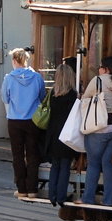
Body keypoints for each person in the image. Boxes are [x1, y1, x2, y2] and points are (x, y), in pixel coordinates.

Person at [80, 56, 112, 205]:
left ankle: (88, 198)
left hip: (98, 127)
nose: (99, 69)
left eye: (100, 67)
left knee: (93, 164)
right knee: (109, 164)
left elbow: (85, 98)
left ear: (105, 69)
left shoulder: (97, 80)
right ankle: (108, 200)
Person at [2, 47, 46, 198]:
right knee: (33, 154)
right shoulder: (37, 77)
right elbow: (42, 96)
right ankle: (32, 189)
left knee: (18, 155)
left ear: (14, 61)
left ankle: (21, 189)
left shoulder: (9, 78)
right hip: (32, 120)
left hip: (15, 120)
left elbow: (5, 99)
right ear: (26, 60)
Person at [42, 63, 78, 207]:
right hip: (66, 134)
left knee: (55, 166)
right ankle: (61, 196)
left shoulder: (52, 94)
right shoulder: (72, 95)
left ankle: (52, 195)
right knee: (65, 166)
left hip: (53, 134)